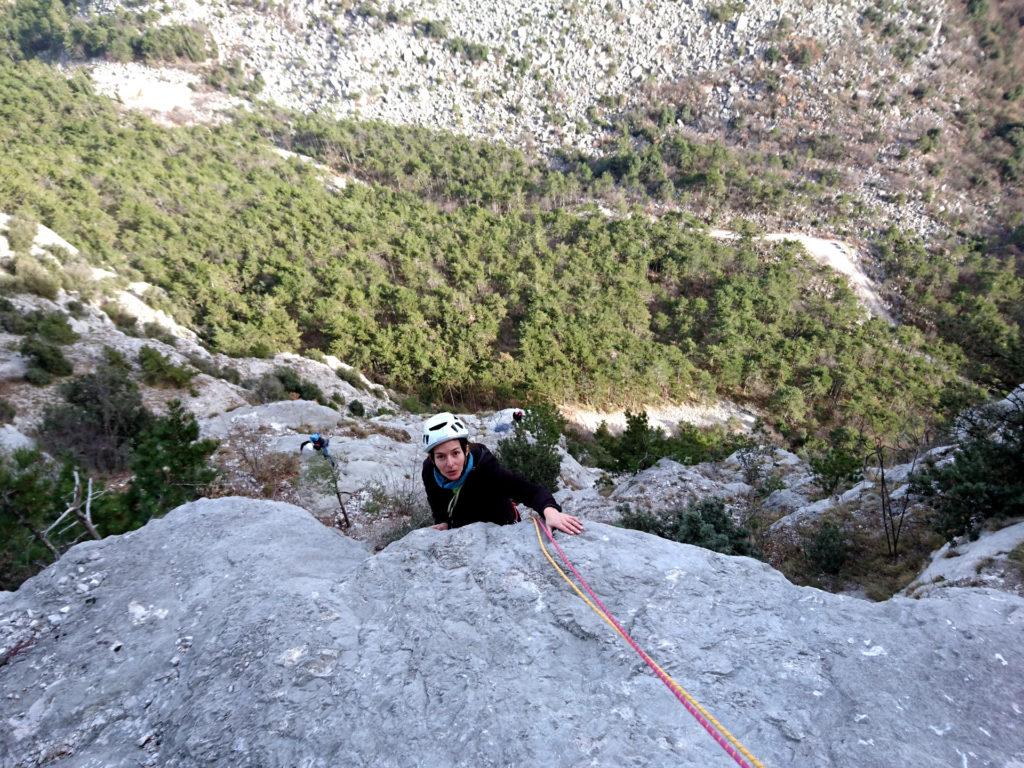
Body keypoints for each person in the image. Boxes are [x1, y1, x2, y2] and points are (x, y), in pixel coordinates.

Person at [421, 412, 584, 535]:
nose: (450, 463)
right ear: (432, 458)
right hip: (462, 533)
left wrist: (551, 512)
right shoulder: (430, 471)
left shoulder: (485, 468)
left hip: (502, 526)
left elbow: (530, 491)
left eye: (455, 453)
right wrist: (443, 522)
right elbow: (437, 505)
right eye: (441, 456)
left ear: (466, 449)